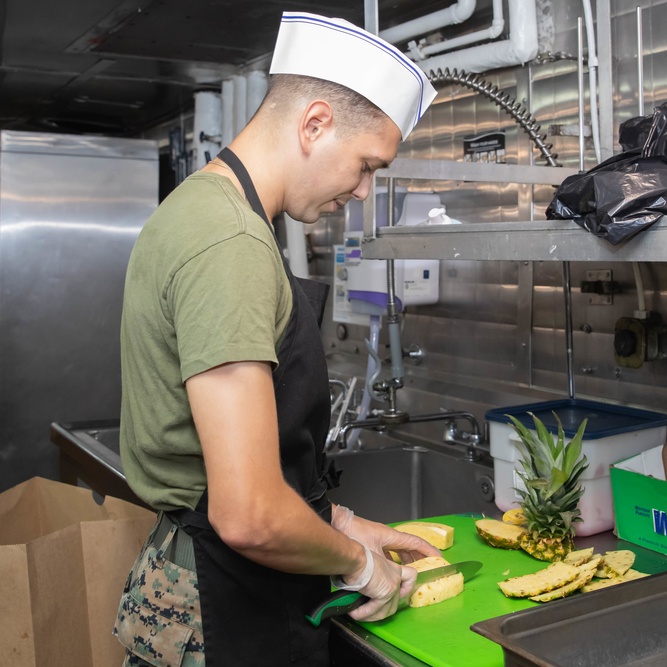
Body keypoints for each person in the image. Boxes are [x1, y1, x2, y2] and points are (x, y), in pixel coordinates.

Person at [113, 13, 438, 666]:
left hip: (210, 583)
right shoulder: (229, 244)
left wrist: (338, 522)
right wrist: (358, 564)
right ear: (314, 124)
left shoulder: (197, 209)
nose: (364, 189)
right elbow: (250, 512)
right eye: (367, 164)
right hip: (222, 608)